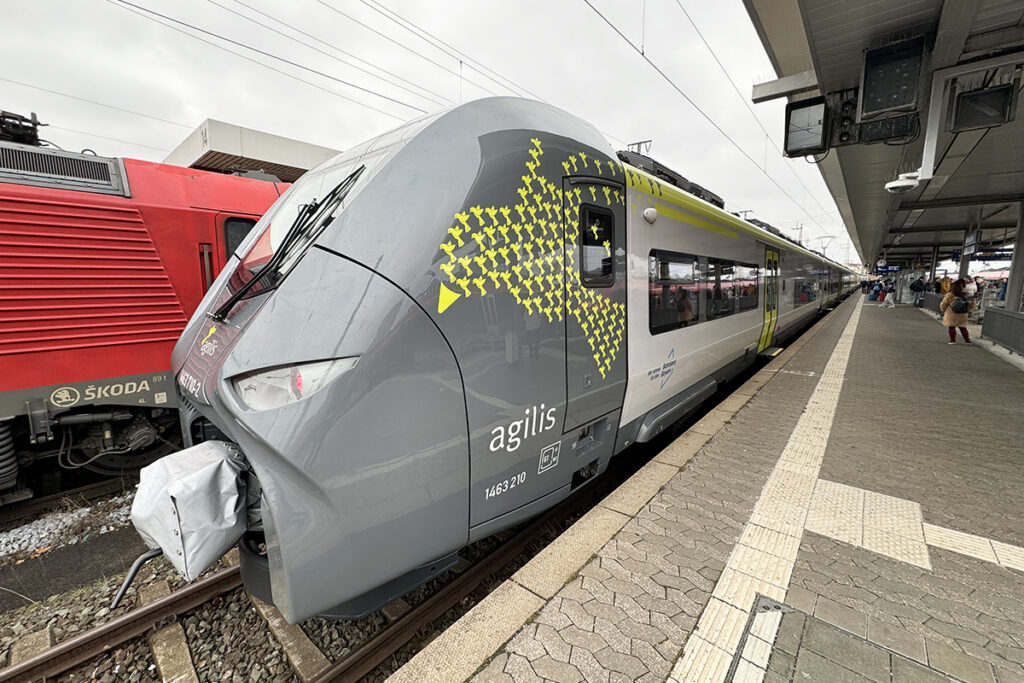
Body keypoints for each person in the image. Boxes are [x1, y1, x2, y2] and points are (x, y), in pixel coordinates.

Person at [939, 279, 973, 344]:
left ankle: (952, 340)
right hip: (963, 313)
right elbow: (972, 304)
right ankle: (967, 341)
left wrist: (943, 309)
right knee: (963, 328)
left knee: (951, 327)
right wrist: (968, 309)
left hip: (951, 313)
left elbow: (944, 303)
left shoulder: (950, 294)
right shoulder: (967, 294)